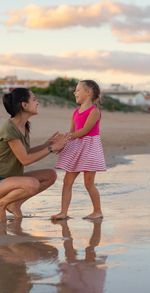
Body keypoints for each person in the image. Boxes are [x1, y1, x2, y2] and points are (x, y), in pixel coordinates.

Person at [0, 88, 68, 223]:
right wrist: (51, 149)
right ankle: (0, 204)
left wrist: (46, 144)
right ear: (24, 105)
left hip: (12, 179)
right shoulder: (10, 128)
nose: (37, 102)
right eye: (34, 99)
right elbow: (25, 160)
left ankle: (14, 203)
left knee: (50, 175)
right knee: (32, 184)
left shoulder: (24, 126)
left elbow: (25, 152)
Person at [51, 80, 106, 220]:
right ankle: (63, 212)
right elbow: (72, 131)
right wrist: (63, 142)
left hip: (89, 148)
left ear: (88, 93)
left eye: (78, 90)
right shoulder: (75, 112)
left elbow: (85, 131)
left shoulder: (94, 111)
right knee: (67, 181)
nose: (75, 92)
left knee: (89, 183)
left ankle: (97, 211)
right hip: (76, 148)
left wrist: (67, 137)